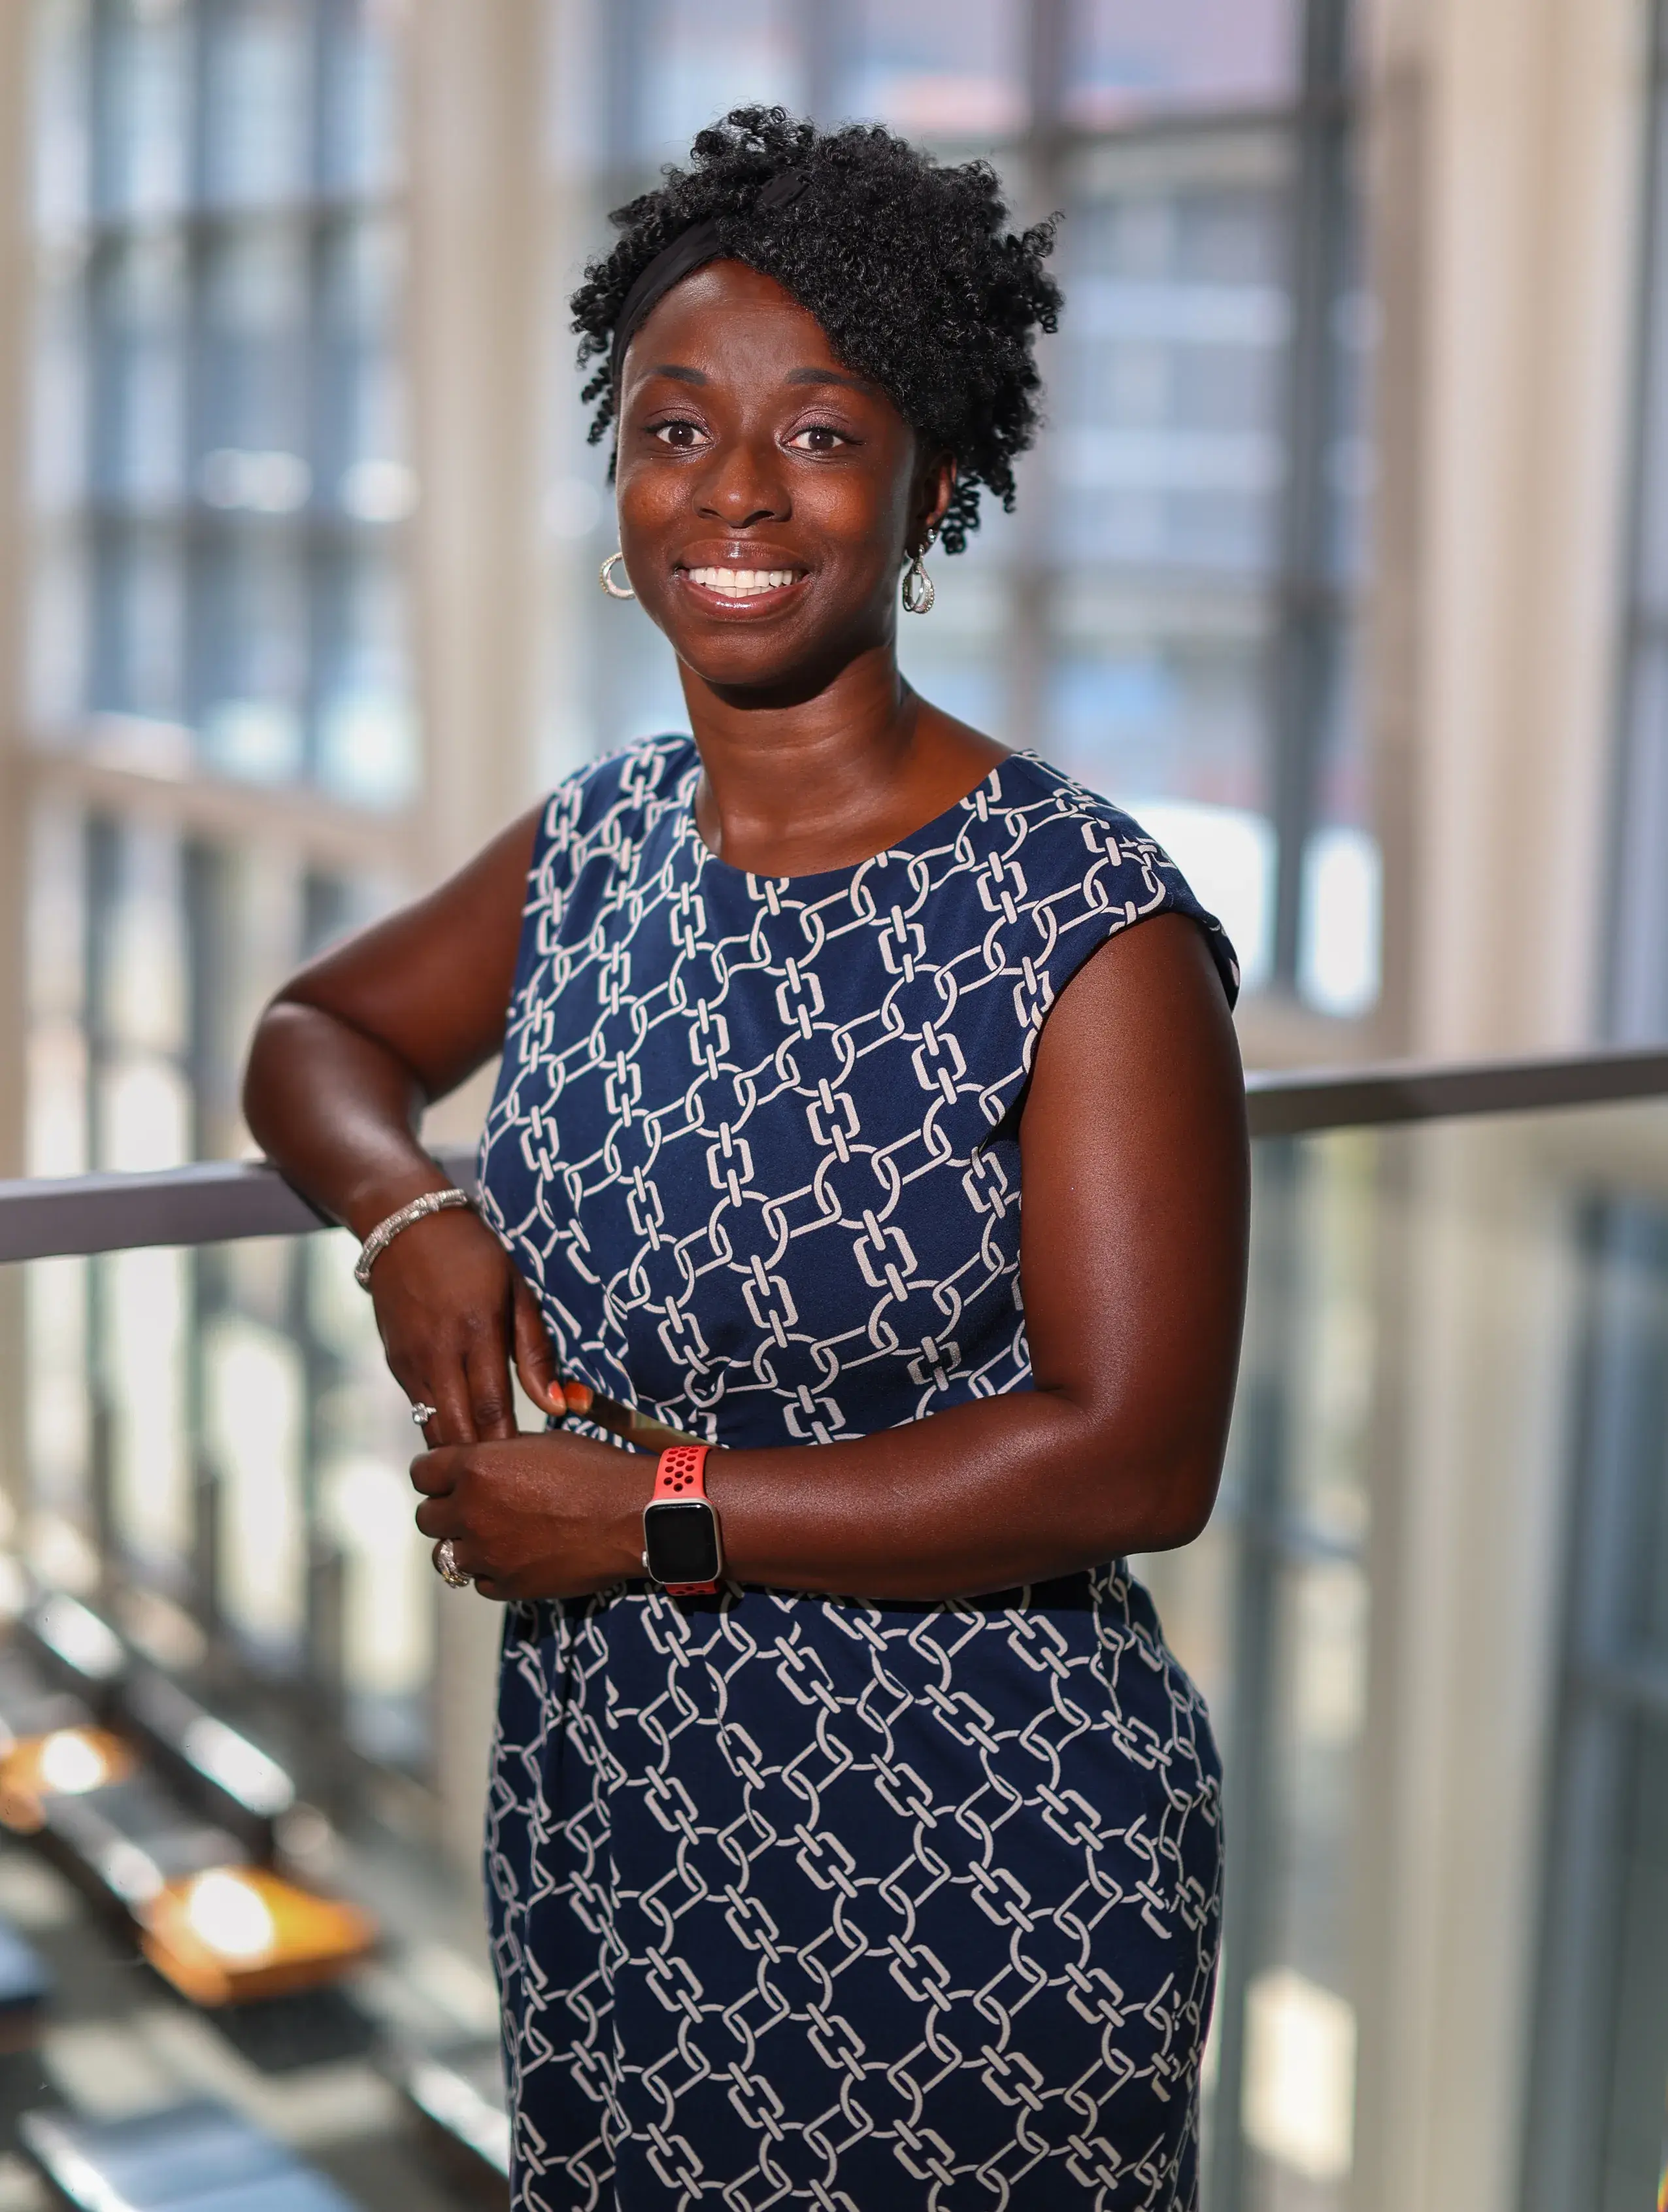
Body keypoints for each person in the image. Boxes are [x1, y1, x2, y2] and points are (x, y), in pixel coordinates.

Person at [244, 106, 1248, 2212]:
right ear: (618, 494)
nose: (735, 488)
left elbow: (1134, 1459)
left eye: (818, 433)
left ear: (929, 490)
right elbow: (317, 1035)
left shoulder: (1088, 920)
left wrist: (655, 1521)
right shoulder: (601, 840)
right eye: (674, 426)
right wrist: (412, 1215)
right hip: (620, 1810)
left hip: (975, 1855)